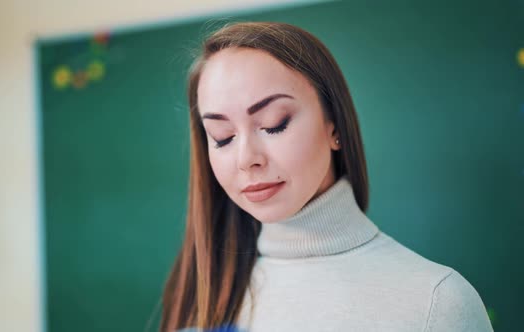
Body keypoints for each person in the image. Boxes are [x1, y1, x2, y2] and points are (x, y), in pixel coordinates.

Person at [159, 22, 493, 332]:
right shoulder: (200, 300)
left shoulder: (437, 303)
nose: (247, 159)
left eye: (274, 123)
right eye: (222, 136)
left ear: (334, 125)